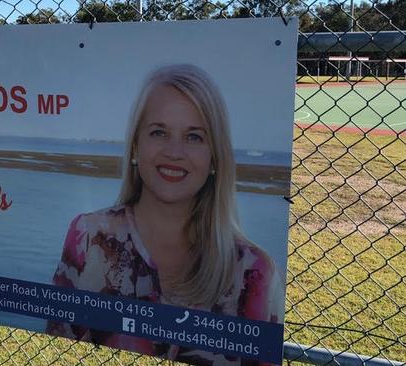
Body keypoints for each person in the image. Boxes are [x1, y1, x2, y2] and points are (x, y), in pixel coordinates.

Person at [46, 64, 284, 365]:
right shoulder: (90, 237)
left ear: (215, 157)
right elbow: (59, 347)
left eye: (194, 137)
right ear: (135, 147)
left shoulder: (253, 273)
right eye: (159, 132)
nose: (174, 151)